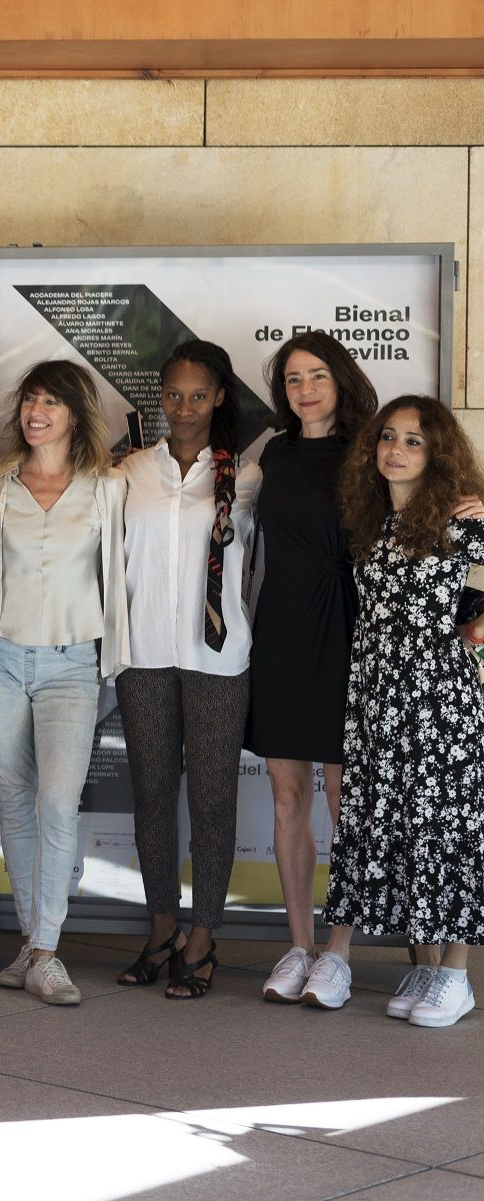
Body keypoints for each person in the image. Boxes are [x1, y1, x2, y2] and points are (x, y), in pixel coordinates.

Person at [0, 359, 128, 1006]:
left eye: (51, 402)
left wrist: (112, 658)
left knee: (59, 802)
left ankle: (48, 947)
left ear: (75, 412)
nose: (36, 412)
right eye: (29, 400)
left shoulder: (106, 484)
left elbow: (116, 573)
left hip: (70, 664)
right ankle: (34, 942)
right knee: (15, 799)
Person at [322, 396, 484, 1026]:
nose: (396, 449)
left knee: (447, 830)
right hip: (376, 701)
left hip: (438, 703)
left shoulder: (457, 517)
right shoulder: (375, 521)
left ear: (437, 453)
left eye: (414, 441)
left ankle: (456, 975)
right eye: (388, 437)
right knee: (379, 825)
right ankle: (424, 965)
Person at [115, 341, 259, 999]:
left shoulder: (246, 476)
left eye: (199, 394)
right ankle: (162, 928)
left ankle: (204, 935)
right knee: (149, 793)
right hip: (142, 654)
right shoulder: (127, 472)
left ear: (220, 397)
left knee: (212, 798)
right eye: (173, 392)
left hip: (217, 658)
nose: (184, 406)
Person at [245, 331, 377, 1005]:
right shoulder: (273, 450)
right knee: (288, 793)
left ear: (341, 379)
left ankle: (339, 951)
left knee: (341, 798)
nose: (305, 389)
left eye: (317, 375)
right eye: (293, 379)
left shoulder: (373, 448)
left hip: (351, 630)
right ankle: (298, 946)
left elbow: (424, 510)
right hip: (283, 630)